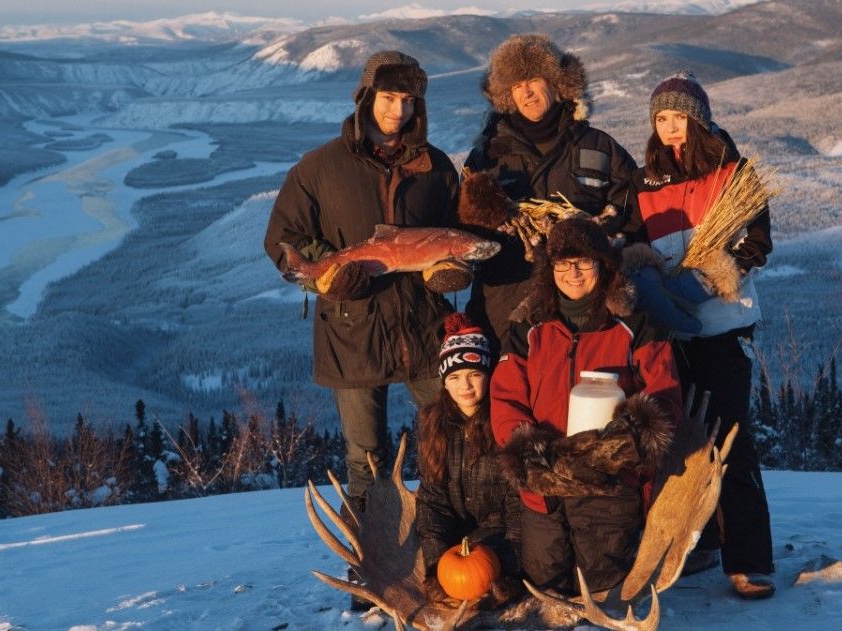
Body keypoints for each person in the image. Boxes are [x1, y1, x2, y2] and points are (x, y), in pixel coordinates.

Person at [263, 51, 467, 506]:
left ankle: (453, 538)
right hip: (351, 329)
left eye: (409, 100)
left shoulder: (436, 167)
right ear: (366, 97)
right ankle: (372, 546)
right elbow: (283, 239)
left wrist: (450, 270)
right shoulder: (319, 167)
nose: (399, 110)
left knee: (453, 444)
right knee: (365, 461)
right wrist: (328, 277)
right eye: (389, 97)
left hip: (425, 326)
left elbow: (455, 235)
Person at [622, 70, 776, 599]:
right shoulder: (644, 183)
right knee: (684, 445)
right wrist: (650, 282)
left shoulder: (734, 174)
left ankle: (749, 559)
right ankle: (700, 543)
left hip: (724, 326)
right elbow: (633, 244)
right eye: (661, 118)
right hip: (671, 333)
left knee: (731, 441)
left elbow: (757, 243)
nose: (670, 127)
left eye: (679, 117)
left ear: (700, 119)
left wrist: (711, 279)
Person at [489, 217, 682, 596]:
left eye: (583, 262)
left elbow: (664, 395)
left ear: (603, 265)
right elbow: (506, 398)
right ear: (549, 268)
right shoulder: (527, 329)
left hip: (607, 488)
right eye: (562, 263)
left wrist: (624, 444)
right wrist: (528, 452)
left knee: (601, 593)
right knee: (547, 590)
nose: (572, 273)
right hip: (544, 488)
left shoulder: (635, 326)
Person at [456, 34, 638, 349]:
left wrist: (597, 236)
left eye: (533, 80)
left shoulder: (600, 147)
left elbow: (632, 219)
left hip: (585, 311)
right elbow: (466, 231)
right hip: (505, 310)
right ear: (506, 95)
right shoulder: (487, 158)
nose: (526, 92)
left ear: (557, 82)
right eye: (516, 85)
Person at [416, 312, 522, 605]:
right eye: (454, 377)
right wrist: (436, 565)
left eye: (474, 374)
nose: (465, 386)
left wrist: (507, 564)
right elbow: (432, 502)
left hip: (499, 539)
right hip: (454, 544)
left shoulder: (505, 423)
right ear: (444, 382)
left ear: (488, 375)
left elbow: (517, 505)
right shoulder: (433, 426)